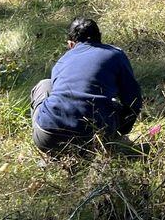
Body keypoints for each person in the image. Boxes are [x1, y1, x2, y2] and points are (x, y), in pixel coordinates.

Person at [30, 18, 142, 152]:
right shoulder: (115, 54)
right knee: (112, 106)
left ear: (70, 44)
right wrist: (120, 131)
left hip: (48, 137)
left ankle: (47, 143)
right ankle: (109, 144)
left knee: (44, 84)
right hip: (95, 137)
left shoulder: (62, 61)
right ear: (99, 38)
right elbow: (133, 101)